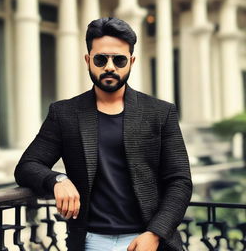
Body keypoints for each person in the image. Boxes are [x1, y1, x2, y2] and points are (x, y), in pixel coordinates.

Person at [14, 17, 192, 251]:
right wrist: (58, 179)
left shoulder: (160, 112)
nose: (110, 66)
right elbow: (27, 166)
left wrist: (155, 233)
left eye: (119, 60)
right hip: (90, 241)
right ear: (88, 60)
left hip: (148, 240)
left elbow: (180, 181)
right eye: (101, 59)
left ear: (131, 61)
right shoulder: (64, 113)